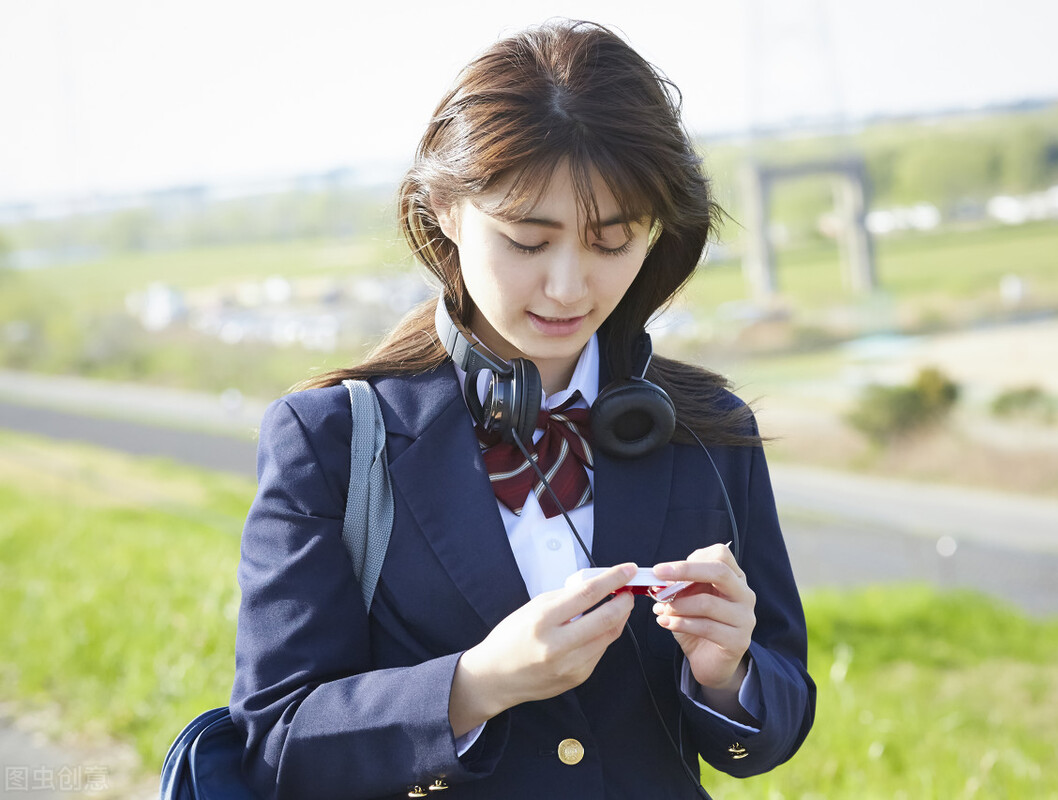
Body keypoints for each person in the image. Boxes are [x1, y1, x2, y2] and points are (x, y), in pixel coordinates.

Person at [230, 19, 815, 799]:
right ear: (443, 208)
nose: (570, 287)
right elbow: (276, 743)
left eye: (612, 242)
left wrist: (729, 674)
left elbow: (778, 717)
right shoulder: (332, 440)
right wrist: (476, 685)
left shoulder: (708, 427)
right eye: (528, 242)